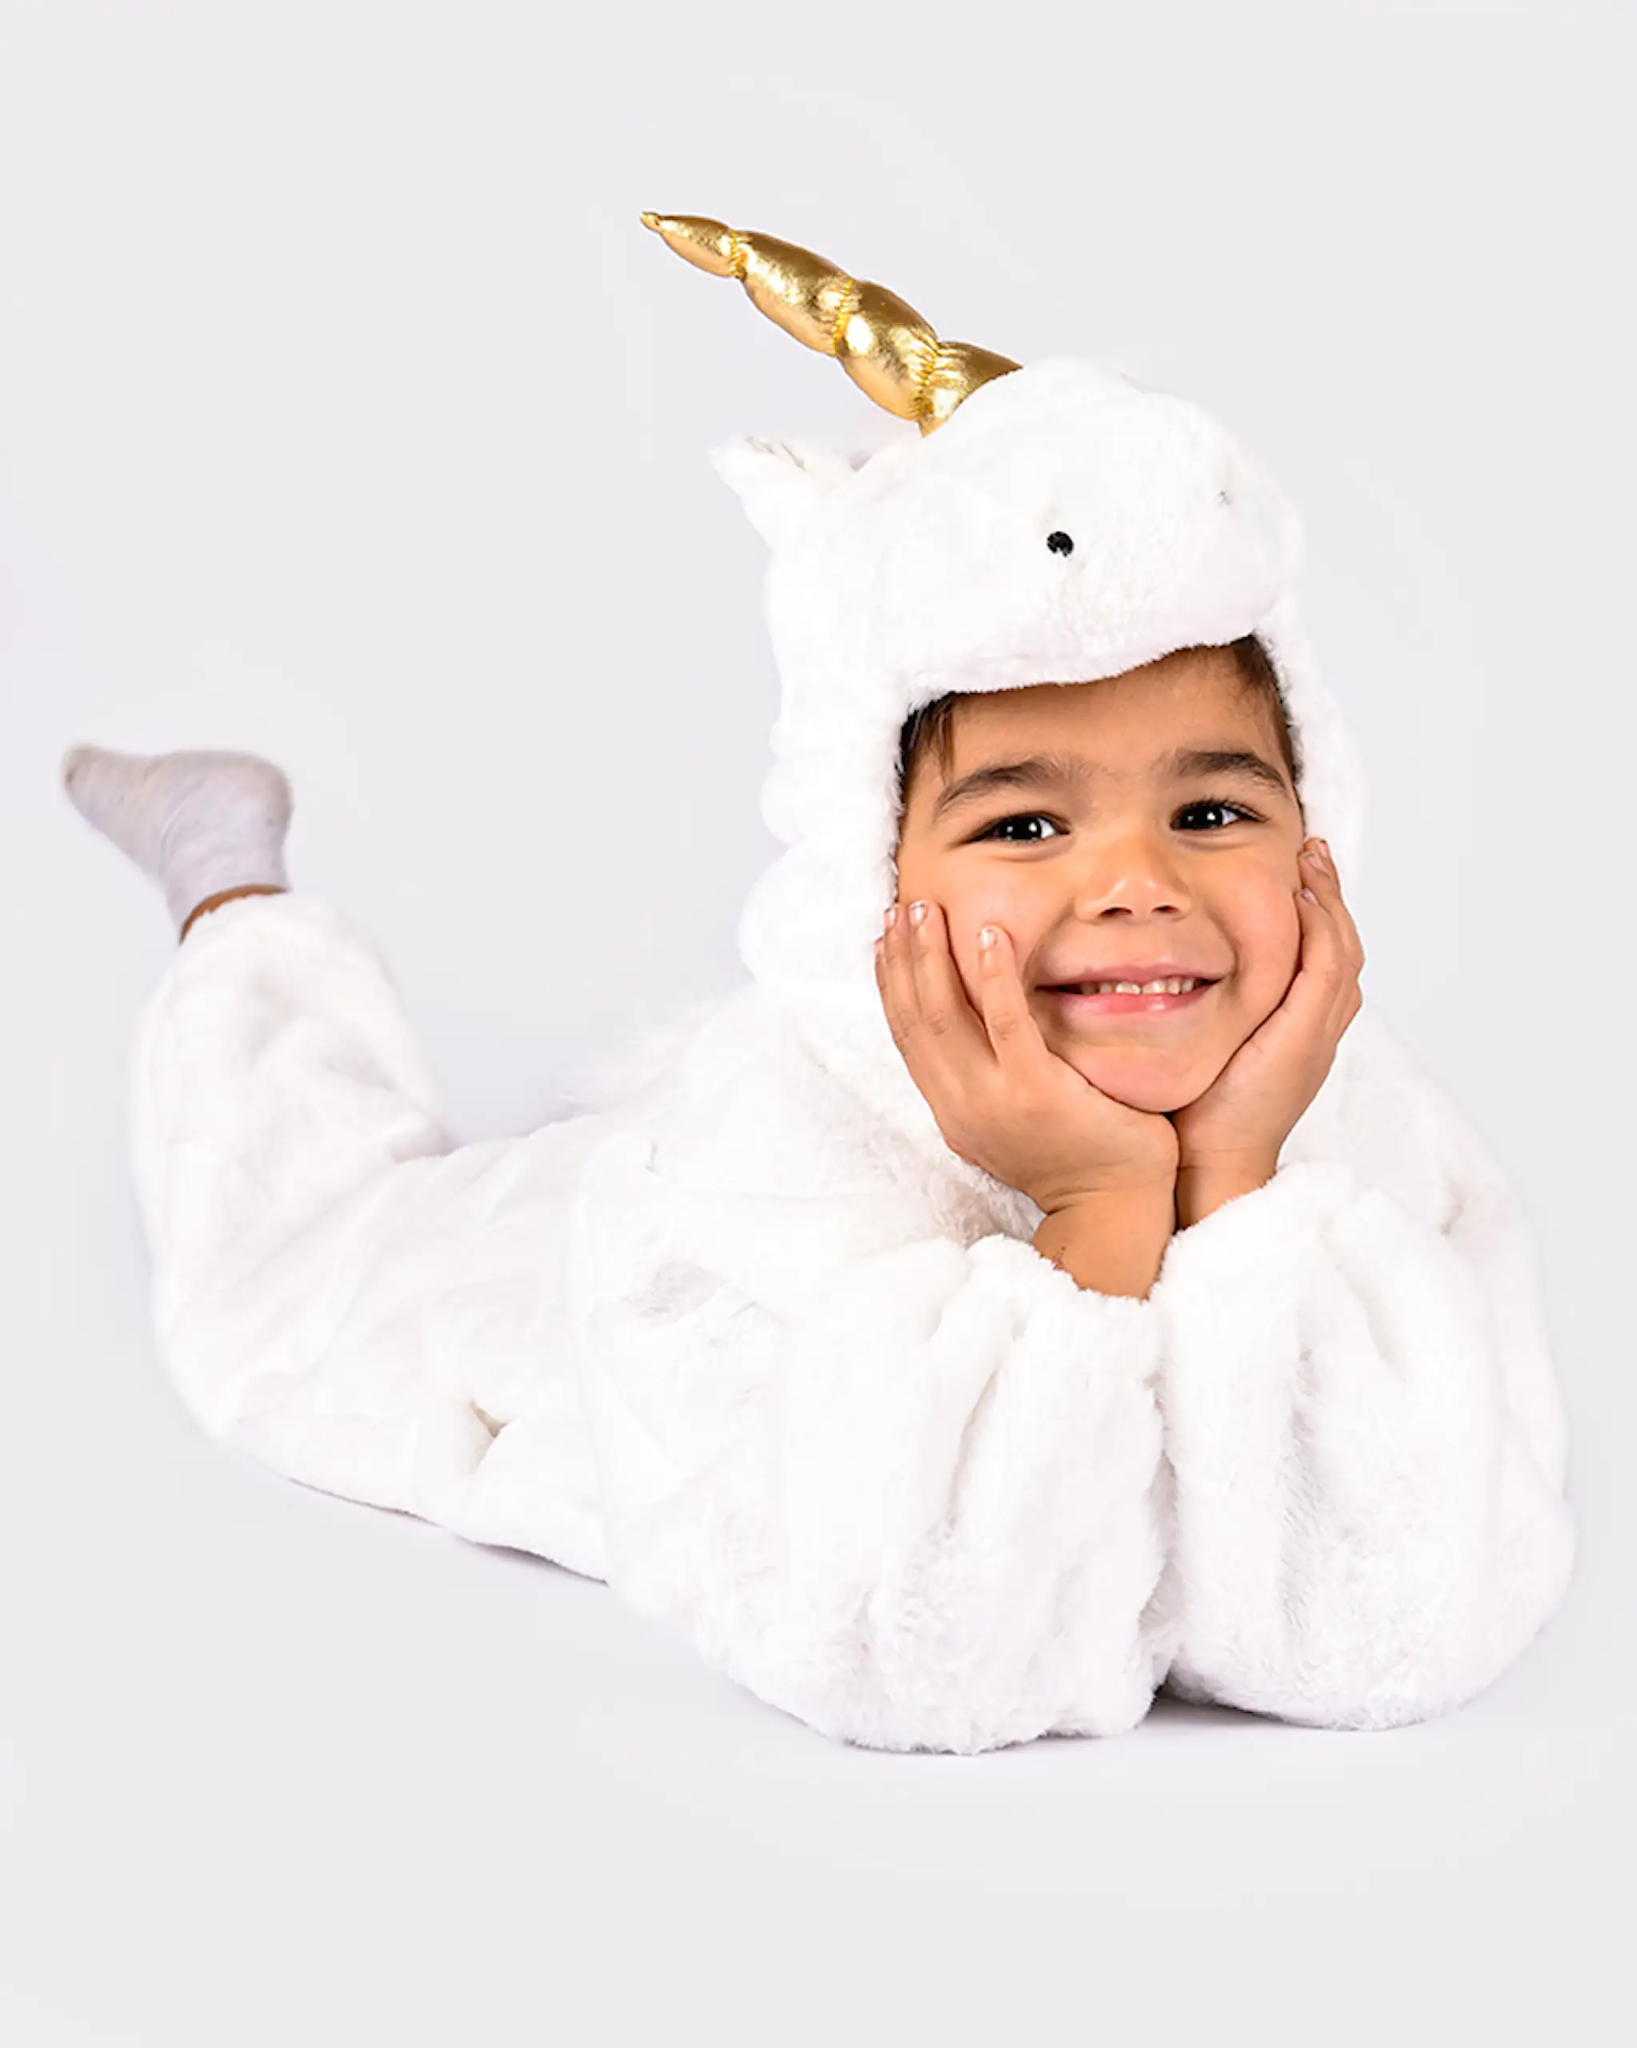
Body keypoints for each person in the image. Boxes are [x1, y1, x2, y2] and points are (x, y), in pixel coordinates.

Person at [60, 214, 1576, 1756]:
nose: (1138, 884)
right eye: (1025, 826)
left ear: (1316, 835)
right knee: (298, 1276)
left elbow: (1401, 1627)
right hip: (573, 1255)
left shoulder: (1364, 1128)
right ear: (874, 868)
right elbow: (907, 1655)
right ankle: (228, 886)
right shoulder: (747, 1177)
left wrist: (1238, 1188)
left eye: (1212, 810)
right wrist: (1099, 1213)